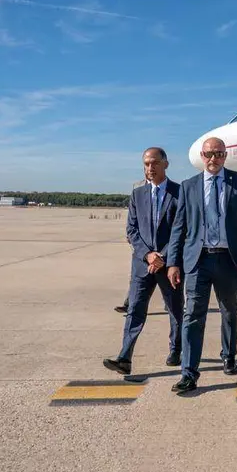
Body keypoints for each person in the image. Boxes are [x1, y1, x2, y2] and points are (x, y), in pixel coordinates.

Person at [167, 137, 237, 393]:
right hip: (198, 260)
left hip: (229, 260)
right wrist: (173, 262)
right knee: (193, 316)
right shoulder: (189, 186)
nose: (213, 159)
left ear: (225, 156)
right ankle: (189, 373)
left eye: (218, 154)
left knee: (229, 310)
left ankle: (229, 356)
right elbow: (179, 227)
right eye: (209, 154)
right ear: (202, 155)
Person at [103, 148, 183, 376]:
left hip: (170, 266)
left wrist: (163, 257)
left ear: (165, 164)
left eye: (154, 163)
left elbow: (182, 230)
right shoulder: (137, 194)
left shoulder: (180, 193)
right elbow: (131, 230)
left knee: (176, 310)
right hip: (142, 264)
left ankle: (176, 349)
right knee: (135, 310)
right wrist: (148, 255)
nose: (150, 168)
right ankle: (125, 357)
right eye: (146, 164)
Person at [115, 177, 148, 313]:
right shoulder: (137, 186)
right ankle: (129, 304)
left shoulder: (168, 186)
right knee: (136, 274)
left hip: (160, 239)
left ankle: (172, 304)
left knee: (165, 274)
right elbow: (133, 212)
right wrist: (130, 233)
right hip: (140, 238)